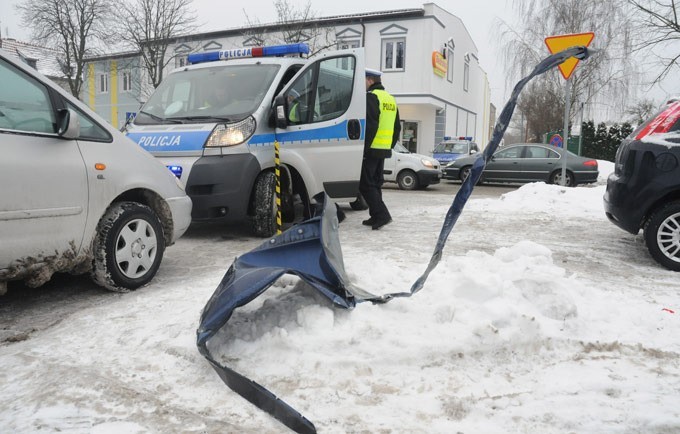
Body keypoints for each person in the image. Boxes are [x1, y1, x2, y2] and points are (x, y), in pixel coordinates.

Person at [358, 68, 401, 230]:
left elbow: (371, 125)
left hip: (371, 149)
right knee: (375, 183)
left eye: (364, 81)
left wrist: (364, 148)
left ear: (369, 80)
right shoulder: (390, 99)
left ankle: (382, 215)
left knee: (365, 184)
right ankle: (375, 216)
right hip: (383, 149)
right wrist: (389, 146)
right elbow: (397, 127)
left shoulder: (372, 97)